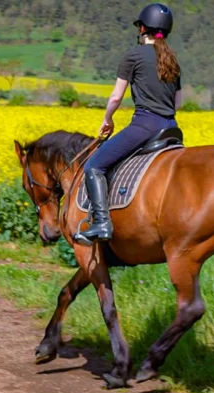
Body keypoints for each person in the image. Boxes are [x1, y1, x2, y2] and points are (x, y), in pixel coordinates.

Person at [74, 2, 182, 246]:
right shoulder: (172, 59)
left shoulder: (133, 56)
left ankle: (101, 222)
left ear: (143, 28)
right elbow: (179, 100)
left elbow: (115, 97)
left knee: (94, 165)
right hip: (172, 129)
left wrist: (107, 119)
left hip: (145, 126)